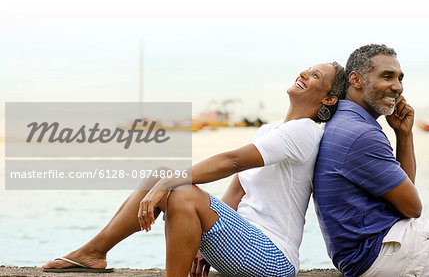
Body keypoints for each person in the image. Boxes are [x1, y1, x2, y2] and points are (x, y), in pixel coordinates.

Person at [43, 61, 346, 276]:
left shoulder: (305, 131)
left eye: (315, 75)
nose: (304, 73)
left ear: (329, 98)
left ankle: (96, 253)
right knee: (164, 174)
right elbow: (238, 188)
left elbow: (231, 162)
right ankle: (94, 252)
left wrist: (167, 186)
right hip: (244, 242)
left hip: (272, 258)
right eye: (307, 68)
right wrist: (207, 245)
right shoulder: (271, 129)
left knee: (181, 192)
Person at [314, 44, 429, 277]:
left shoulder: (345, 122)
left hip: (363, 252)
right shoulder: (360, 133)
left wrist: (403, 134)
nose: (397, 87)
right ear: (355, 80)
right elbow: (412, 207)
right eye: (387, 77)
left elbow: (404, 200)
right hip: (377, 252)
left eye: (399, 78)